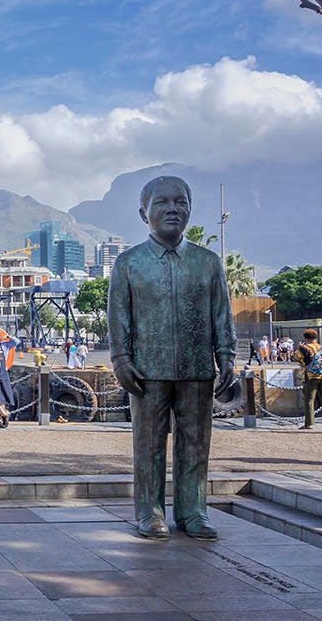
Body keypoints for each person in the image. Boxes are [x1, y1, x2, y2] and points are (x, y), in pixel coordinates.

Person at [109, 176, 236, 542]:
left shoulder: (208, 262)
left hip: (197, 367)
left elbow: (221, 315)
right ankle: (149, 511)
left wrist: (226, 356)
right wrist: (120, 359)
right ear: (143, 212)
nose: (172, 209)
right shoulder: (129, 264)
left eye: (181, 202)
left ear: (190, 209)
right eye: (162, 202)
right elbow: (119, 317)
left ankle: (193, 510)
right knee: (147, 443)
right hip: (147, 370)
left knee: (196, 442)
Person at [295, 329, 322, 430]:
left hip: (311, 376)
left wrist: (300, 347)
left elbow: (294, 358)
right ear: (316, 338)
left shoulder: (305, 348)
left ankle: (309, 423)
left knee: (309, 400)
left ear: (305, 338)